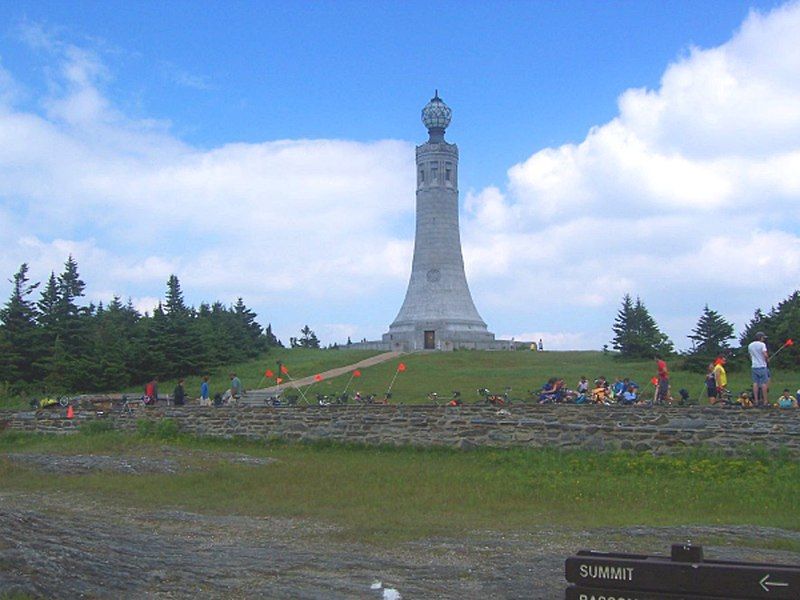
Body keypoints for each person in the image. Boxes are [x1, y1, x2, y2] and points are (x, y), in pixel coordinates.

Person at [748, 332, 770, 406]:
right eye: (763, 338)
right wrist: (767, 359)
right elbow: (765, 354)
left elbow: (750, 356)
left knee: (755, 383)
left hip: (754, 366)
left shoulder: (750, 345)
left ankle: (756, 401)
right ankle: (765, 401)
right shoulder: (762, 345)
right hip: (762, 366)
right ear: (760, 337)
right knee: (764, 383)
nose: (764, 339)